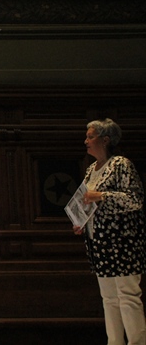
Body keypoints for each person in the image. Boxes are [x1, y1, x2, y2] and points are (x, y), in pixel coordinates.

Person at [74, 118, 146, 345]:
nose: (86, 140)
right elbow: (86, 203)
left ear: (105, 140)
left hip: (123, 242)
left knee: (128, 297)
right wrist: (81, 221)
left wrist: (102, 196)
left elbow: (135, 200)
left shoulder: (120, 164)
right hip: (99, 242)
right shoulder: (90, 170)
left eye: (91, 136)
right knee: (109, 299)